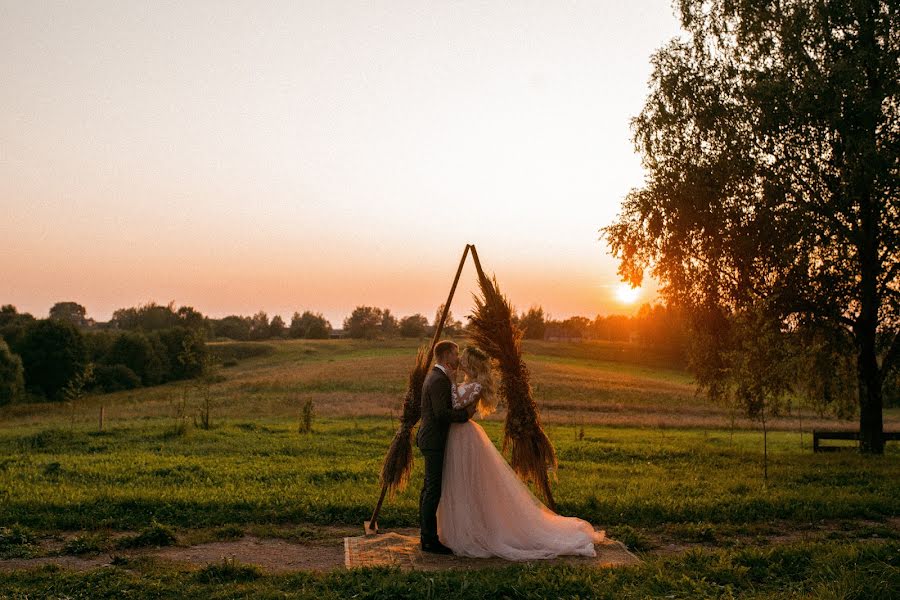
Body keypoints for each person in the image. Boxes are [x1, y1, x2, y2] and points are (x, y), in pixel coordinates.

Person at [436, 346, 606, 560]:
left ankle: (474, 531)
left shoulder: (476, 385)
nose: (459, 359)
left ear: (471, 363)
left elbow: (456, 403)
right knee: (458, 482)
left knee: (468, 483)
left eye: (464, 357)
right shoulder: (467, 382)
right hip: (456, 434)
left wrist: (451, 380)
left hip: (464, 436)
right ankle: (459, 529)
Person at [415, 340, 477, 554]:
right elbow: (441, 414)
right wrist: (465, 415)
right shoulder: (439, 380)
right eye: (455, 353)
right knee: (433, 490)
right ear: (445, 355)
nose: (458, 358)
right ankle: (429, 540)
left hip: (429, 439)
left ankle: (426, 534)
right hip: (434, 440)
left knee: (428, 489)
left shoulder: (436, 376)